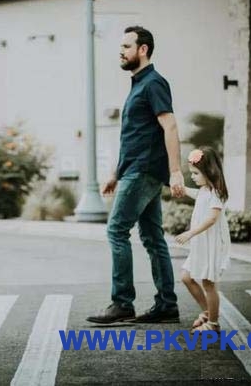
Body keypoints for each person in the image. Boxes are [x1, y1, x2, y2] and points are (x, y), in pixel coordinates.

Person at [87, 26, 185, 325]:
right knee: (153, 237)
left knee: (116, 230)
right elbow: (134, 136)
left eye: (126, 46)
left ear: (143, 50)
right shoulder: (138, 85)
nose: (121, 51)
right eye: (121, 46)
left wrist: (176, 171)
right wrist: (115, 173)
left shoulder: (154, 83)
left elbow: (170, 126)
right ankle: (166, 305)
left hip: (143, 171)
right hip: (135, 169)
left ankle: (122, 303)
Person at [175, 147, 231, 334]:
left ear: (210, 171)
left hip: (211, 245)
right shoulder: (204, 190)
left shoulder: (216, 193)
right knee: (186, 277)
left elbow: (212, 219)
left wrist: (190, 233)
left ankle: (213, 323)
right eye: (191, 173)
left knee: (208, 283)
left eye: (196, 173)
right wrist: (180, 188)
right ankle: (207, 312)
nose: (192, 177)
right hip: (201, 245)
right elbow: (195, 194)